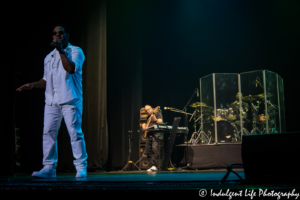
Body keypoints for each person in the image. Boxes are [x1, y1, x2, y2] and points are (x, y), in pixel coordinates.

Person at [16, 24, 88, 178]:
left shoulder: (75, 51)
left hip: (70, 99)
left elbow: (70, 69)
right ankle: (49, 168)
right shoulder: (48, 57)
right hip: (52, 101)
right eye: (55, 34)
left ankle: (81, 167)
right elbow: (45, 80)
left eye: (61, 33)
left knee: (75, 133)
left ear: (67, 35)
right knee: (48, 133)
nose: (58, 36)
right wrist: (33, 85)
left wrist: (61, 50)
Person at [142, 105, 163, 172]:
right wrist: (144, 125)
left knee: (154, 149)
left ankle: (154, 165)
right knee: (147, 151)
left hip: (156, 133)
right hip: (149, 134)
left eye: (148, 109)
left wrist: (155, 119)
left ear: (152, 108)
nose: (147, 111)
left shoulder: (157, 113)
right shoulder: (148, 117)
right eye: (146, 110)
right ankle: (151, 165)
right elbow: (146, 124)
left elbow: (161, 121)